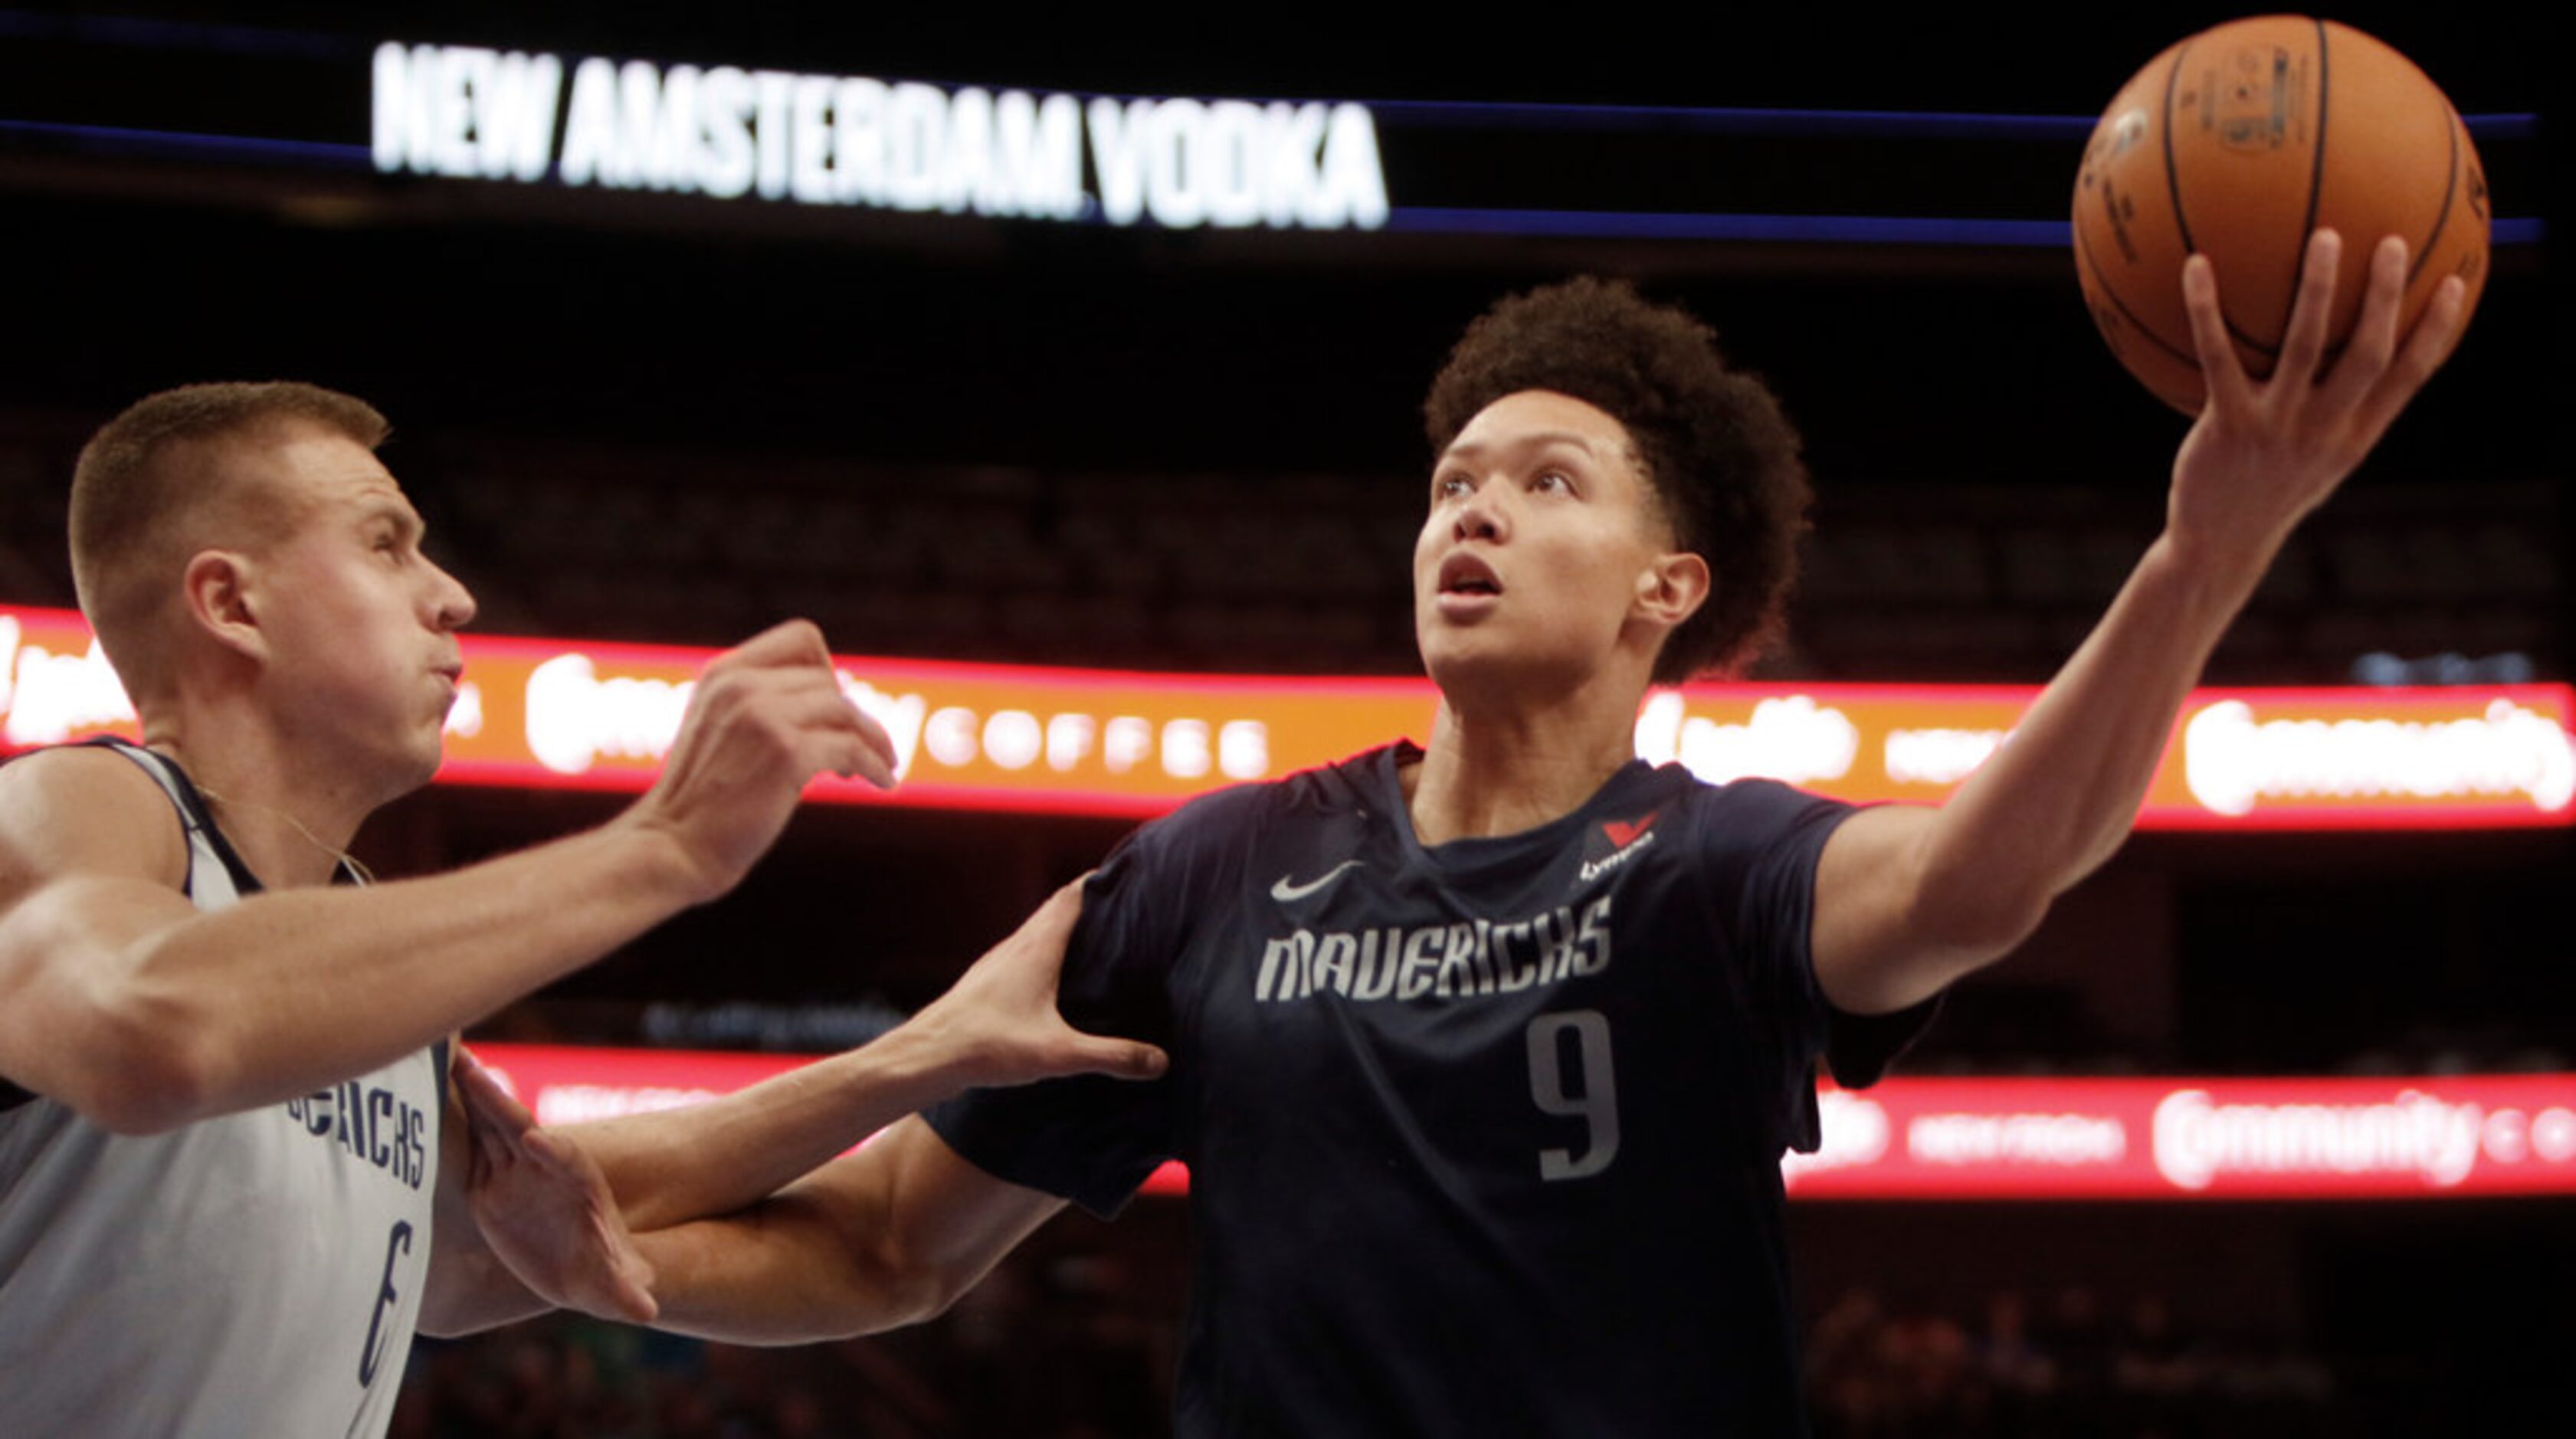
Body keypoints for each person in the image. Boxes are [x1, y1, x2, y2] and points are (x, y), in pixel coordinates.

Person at [492, 231, 2466, 1434]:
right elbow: (894, 1245)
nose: (1473, 510)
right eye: (1451, 479)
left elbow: (1985, 873)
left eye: (1545, 479)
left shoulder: (1720, 867)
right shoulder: (1208, 874)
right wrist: (598, 1268)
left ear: (1664, 588)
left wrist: (2208, 553)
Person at [0, 382, 1163, 1437]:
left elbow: (495, 1232)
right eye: (385, 543)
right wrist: (663, 847)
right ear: (229, 603)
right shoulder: (79, 806)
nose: (449, 594)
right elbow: (148, 1029)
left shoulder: (364, 968)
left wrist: (922, 1054)